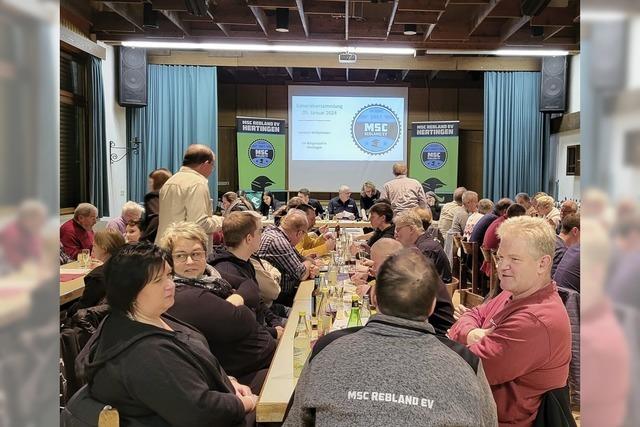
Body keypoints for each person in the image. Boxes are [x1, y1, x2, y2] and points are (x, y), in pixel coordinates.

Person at [284, 249, 497, 427]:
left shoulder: (327, 349)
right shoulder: (467, 363)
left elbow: (295, 422)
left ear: (374, 297)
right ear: (432, 305)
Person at [74, 243, 257, 426]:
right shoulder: (145, 353)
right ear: (130, 289)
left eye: (169, 275)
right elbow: (198, 410)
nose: (170, 285)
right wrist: (242, 404)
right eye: (157, 280)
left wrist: (228, 381)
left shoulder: (145, 317)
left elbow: (196, 367)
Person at [448, 216, 571, 426]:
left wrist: (462, 332)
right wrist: (471, 333)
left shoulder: (536, 319)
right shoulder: (514, 292)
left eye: (514, 259)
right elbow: (473, 314)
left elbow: (462, 367)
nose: (502, 266)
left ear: (543, 263)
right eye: (500, 256)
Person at [159, 222, 276, 392]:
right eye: (181, 256)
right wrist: (245, 305)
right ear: (170, 260)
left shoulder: (210, 275)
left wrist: (237, 297)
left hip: (260, 359)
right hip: (238, 378)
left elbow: (249, 285)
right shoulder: (183, 295)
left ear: (205, 254)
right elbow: (245, 321)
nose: (190, 261)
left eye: (196, 254)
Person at [155, 144, 223, 245]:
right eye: (213, 165)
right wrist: (221, 221)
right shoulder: (197, 183)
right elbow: (199, 224)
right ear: (206, 163)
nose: (212, 170)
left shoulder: (170, 181)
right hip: (184, 250)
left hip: (165, 245)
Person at [257, 209, 319, 306]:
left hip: (280, 295)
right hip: (274, 301)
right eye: (303, 235)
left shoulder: (278, 234)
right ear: (299, 233)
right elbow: (301, 273)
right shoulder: (278, 240)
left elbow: (301, 259)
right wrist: (309, 263)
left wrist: (308, 264)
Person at [67, 230, 126, 316]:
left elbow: (83, 306)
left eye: (94, 245)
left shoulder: (97, 277)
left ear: (104, 249)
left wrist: (67, 312)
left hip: (96, 320)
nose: (92, 248)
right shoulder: (127, 266)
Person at [393, 210, 452, 284]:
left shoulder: (426, 249)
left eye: (398, 230)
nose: (395, 235)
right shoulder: (422, 245)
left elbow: (417, 282)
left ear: (411, 229)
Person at [0, 200, 46, 270]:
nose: (41, 223)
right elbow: (15, 261)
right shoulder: (11, 233)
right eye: (38, 219)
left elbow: (37, 253)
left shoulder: (30, 230)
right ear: (26, 218)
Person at [140, 167, 172, 243]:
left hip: (155, 241)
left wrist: (143, 239)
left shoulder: (153, 197)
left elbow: (156, 218)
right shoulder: (173, 197)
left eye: (150, 182)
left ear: (157, 182)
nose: (149, 186)